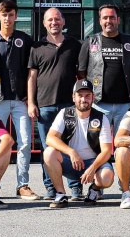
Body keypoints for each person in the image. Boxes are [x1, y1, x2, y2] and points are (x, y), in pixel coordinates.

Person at [0, 0, 37, 200]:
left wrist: (31, 98)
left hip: (20, 101)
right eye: (4, 15)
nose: (7, 18)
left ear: (15, 16)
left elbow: (32, 71)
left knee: (24, 143)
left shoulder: (25, 40)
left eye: (11, 14)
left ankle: (22, 185)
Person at [27, 7, 83, 200]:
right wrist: (31, 103)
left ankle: (75, 187)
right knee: (47, 148)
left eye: (57, 19)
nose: (54, 22)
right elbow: (32, 77)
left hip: (69, 105)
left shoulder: (74, 45)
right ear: (44, 23)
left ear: (63, 21)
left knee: (71, 145)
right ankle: (51, 188)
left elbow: (81, 75)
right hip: (45, 106)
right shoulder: (36, 47)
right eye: (50, 20)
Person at [43, 79, 114, 208]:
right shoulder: (65, 113)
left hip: (93, 162)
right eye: (80, 95)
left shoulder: (101, 117)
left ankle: (94, 189)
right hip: (71, 162)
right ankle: (61, 194)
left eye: (87, 96)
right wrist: (71, 151)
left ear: (93, 97)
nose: (83, 99)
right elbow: (50, 138)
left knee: (107, 177)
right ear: (73, 97)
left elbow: (106, 150)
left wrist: (92, 168)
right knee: (49, 152)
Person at [78, 4, 130, 131]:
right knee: (96, 144)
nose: (108, 21)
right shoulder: (90, 41)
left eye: (112, 17)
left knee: (123, 145)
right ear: (100, 21)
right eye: (105, 18)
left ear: (118, 20)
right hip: (99, 104)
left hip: (125, 105)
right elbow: (81, 71)